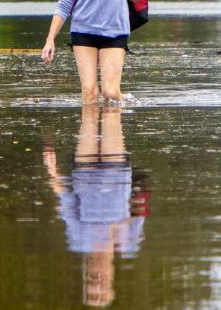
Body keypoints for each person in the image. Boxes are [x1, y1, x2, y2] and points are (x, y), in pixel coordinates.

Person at [43, 105, 149, 307]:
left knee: (90, 118)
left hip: (85, 170)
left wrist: (52, 170)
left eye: (93, 280)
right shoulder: (127, 246)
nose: (97, 275)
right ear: (111, 278)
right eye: (100, 281)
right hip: (117, 171)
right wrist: (116, 230)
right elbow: (141, 208)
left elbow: (65, 201)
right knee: (112, 118)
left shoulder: (78, 242)